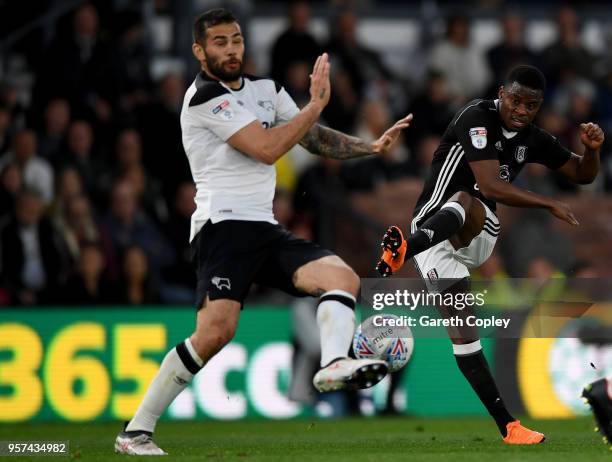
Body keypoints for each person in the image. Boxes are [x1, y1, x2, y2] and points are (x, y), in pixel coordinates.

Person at [115, 8, 412, 455]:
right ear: (199, 51)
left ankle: (333, 362)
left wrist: (369, 147)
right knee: (215, 334)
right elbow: (269, 149)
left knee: (342, 277)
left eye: (236, 40)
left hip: (265, 227)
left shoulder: (266, 89)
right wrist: (314, 104)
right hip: (223, 228)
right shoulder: (202, 98)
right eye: (220, 42)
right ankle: (137, 430)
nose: (232, 49)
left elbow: (311, 138)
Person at [375, 65, 603, 444]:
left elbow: (582, 175)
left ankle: (402, 251)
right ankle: (509, 427)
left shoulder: (534, 138)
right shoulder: (476, 117)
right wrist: (547, 202)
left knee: (466, 198)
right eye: (514, 100)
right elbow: (491, 184)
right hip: (432, 234)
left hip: (477, 230)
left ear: (538, 106)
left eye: (530, 105)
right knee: (464, 335)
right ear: (502, 92)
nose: (519, 109)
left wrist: (592, 151)